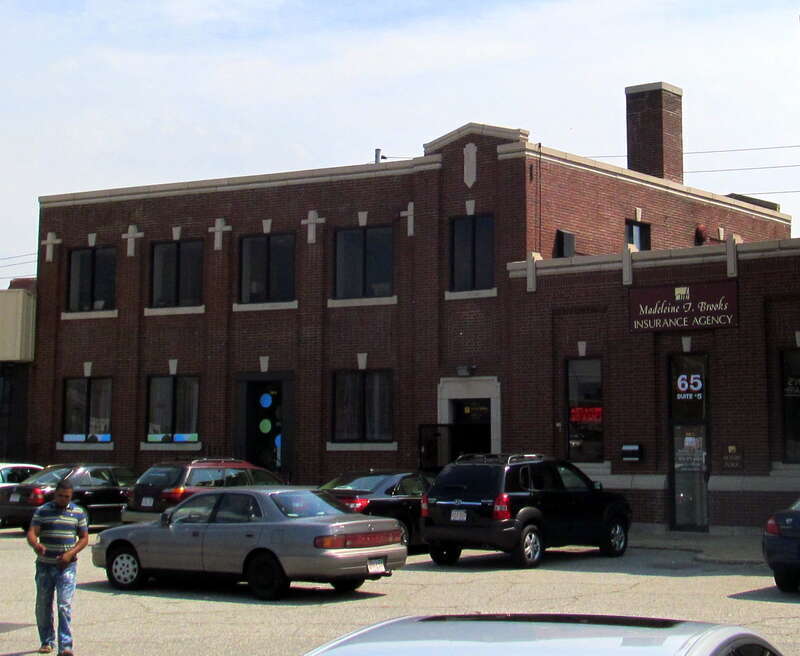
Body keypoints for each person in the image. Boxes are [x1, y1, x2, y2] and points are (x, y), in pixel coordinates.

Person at [26, 479, 89, 656]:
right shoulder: (43, 511)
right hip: (45, 565)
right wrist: (36, 545)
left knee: (64, 605)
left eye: (67, 497)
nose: (63, 499)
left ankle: (65, 646)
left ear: (71, 496)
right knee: (43, 604)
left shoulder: (78, 512)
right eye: (61, 496)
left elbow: (84, 538)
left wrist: (71, 553)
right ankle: (47, 641)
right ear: (55, 494)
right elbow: (32, 532)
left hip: (66, 567)